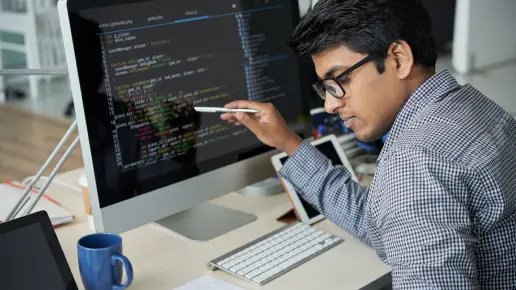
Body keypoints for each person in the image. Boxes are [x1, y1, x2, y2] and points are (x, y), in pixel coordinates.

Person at [220, 0, 516, 288]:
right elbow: (383, 226)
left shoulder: (414, 162)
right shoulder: (477, 109)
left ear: (399, 59)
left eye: (339, 80)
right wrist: (287, 142)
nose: (330, 104)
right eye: (325, 87)